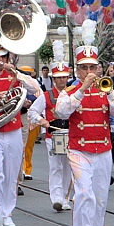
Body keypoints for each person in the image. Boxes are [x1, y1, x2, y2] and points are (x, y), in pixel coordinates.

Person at [54, 39, 114, 226]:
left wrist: (112, 92)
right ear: (77, 70)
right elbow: (61, 112)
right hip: (80, 150)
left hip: (103, 150)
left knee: (100, 197)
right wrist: (83, 89)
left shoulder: (105, 89)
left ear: (98, 68)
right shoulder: (70, 91)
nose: (89, 71)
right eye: (84, 67)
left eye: (92, 67)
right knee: (84, 194)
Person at [0, 40, 41, 226]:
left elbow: (35, 89)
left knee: (10, 174)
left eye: (3, 56)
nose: (0, 60)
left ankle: (7, 213)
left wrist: (15, 73)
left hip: (14, 128)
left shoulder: (15, 75)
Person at [27, 56, 74, 212]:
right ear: (53, 79)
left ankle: (65, 197)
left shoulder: (73, 94)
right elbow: (33, 111)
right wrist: (42, 121)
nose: (62, 80)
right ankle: (57, 198)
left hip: (71, 134)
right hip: (52, 135)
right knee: (55, 167)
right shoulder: (46, 95)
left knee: (68, 167)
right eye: (59, 78)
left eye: (64, 77)